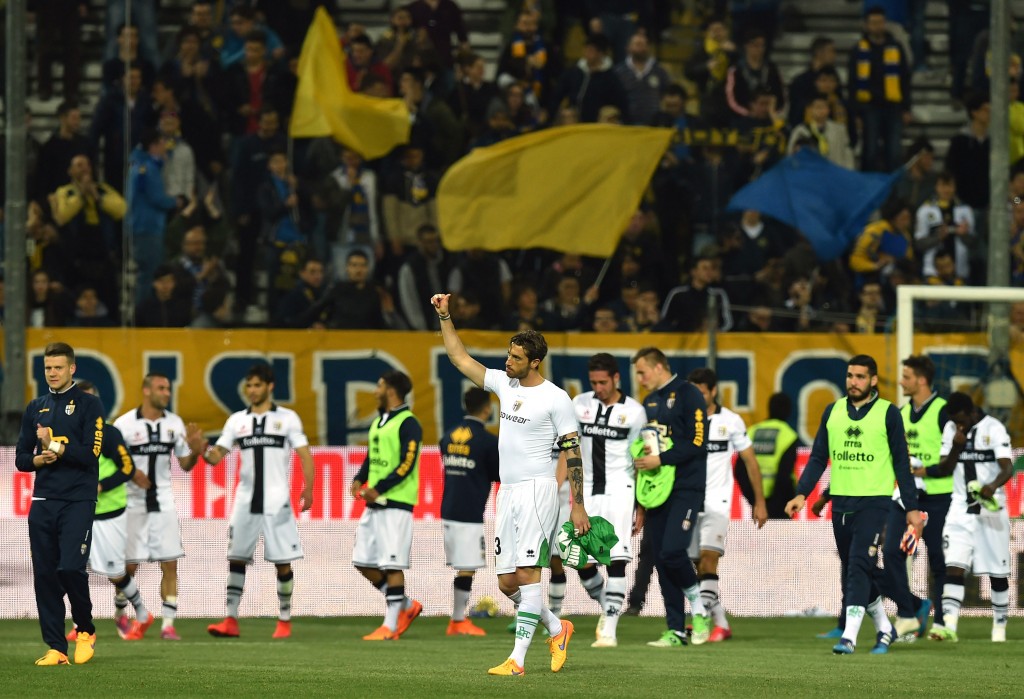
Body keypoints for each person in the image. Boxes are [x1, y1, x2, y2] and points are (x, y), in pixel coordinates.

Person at [432, 293, 587, 676]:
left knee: (530, 574)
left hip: (538, 490)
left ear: (535, 362)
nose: (508, 361)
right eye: (509, 355)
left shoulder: (556, 399)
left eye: (516, 358)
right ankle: (556, 627)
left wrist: (578, 504)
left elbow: (573, 452)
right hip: (509, 492)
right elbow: (459, 358)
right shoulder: (505, 385)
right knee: (506, 583)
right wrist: (445, 316)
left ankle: (517, 660)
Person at [785, 354, 924, 655]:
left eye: (861, 377)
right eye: (850, 376)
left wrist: (911, 506)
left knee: (859, 566)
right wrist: (802, 493)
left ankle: (849, 636)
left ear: (873, 380)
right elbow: (819, 456)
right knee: (856, 568)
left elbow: (902, 463)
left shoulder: (888, 413)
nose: (854, 382)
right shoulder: (832, 412)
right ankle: (885, 628)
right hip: (842, 505)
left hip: (874, 503)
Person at [203, 364, 316, 640]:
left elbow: (305, 454)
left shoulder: (287, 418)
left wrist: (308, 488)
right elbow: (217, 456)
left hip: (277, 501)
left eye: (256, 385)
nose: (252, 390)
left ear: (270, 386)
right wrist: (201, 451)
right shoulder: (236, 421)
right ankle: (230, 619)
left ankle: (285, 620)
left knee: (283, 562)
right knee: (236, 558)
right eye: (249, 386)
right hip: (245, 500)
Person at [15, 342, 103, 666]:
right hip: (43, 500)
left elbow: (90, 454)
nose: (52, 373)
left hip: (78, 499)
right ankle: (56, 647)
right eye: (48, 368)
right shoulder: (35, 407)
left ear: (72, 369)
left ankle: (85, 630)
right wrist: (40, 458)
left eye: (58, 367)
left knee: (70, 567)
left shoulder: (89, 405)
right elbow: (21, 459)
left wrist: (54, 445)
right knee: (45, 576)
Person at [631, 347, 712, 647]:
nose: (640, 379)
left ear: (660, 366)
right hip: (656, 491)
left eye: (642, 372)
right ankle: (676, 629)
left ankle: (700, 609)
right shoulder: (649, 402)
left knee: (673, 552)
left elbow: (698, 442)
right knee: (662, 560)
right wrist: (640, 500)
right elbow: (648, 449)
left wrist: (661, 460)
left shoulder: (689, 394)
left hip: (686, 488)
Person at [114, 374, 204, 641]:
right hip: (132, 504)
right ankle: (121, 614)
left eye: (168, 388)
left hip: (163, 502)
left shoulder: (174, 424)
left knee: (170, 564)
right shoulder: (125, 424)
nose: (166, 393)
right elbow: (113, 461)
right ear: (146, 390)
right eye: (161, 388)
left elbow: (185, 465)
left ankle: (168, 624)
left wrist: (196, 451)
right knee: (129, 568)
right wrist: (132, 474)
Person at [921, 392, 1013, 643]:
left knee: (997, 572)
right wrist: (956, 446)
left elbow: (1007, 467)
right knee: (954, 565)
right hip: (960, 508)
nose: (958, 425)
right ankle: (948, 625)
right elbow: (944, 468)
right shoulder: (951, 429)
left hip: (991, 509)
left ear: (972, 412)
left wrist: (992, 486)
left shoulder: (994, 428)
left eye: (961, 420)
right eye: (954, 421)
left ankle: (999, 628)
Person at [64, 381, 152, 642]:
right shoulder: (70, 435)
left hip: (109, 512)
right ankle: (81, 624)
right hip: (80, 511)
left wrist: (101, 485)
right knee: (72, 568)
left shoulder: (109, 434)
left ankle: (142, 613)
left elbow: (127, 469)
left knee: (115, 572)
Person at [686, 368, 768, 642]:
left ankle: (700, 617)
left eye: (701, 392)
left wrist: (759, 501)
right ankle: (720, 623)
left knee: (709, 560)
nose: (697, 397)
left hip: (718, 503)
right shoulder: (684, 419)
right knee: (697, 568)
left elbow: (750, 460)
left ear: (712, 391)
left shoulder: (730, 421)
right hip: (688, 502)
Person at [572, 353, 647, 648]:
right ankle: (609, 607)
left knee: (616, 560)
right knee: (579, 560)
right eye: (594, 382)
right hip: (587, 490)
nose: (598, 387)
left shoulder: (635, 412)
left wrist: (641, 505)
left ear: (617, 378)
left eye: (603, 382)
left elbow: (640, 457)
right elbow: (571, 450)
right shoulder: (580, 404)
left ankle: (609, 630)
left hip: (621, 489)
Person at [350, 371, 425, 641]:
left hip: (396, 504)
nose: (375, 390)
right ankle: (405, 605)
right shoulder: (380, 421)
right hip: (375, 504)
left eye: (379, 385)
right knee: (362, 562)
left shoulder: (409, 423)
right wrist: (360, 479)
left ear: (391, 390)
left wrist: (378, 488)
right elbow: (372, 456)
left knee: (392, 565)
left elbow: (407, 463)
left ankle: (390, 626)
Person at [883, 354, 951, 640]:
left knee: (938, 559)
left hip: (938, 497)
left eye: (907, 377)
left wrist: (922, 468)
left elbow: (954, 457)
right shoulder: (899, 412)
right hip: (908, 498)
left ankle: (944, 622)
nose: (901, 382)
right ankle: (909, 611)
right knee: (890, 553)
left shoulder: (943, 411)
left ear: (921, 380)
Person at [440, 387, 500, 636]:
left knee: (464, 565)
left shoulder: (448, 435)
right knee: (467, 566)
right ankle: (457, 621)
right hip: (469, 511)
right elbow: (499, 475)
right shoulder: (487, 441)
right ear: (487, 408)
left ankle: (457, 619)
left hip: (448, 507)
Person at [743, 392, 800, 519]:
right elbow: (784, 475)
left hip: (757, 502)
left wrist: (754, 499)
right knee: (780, 539)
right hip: (781, 504)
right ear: (788, 411)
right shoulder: (788, 435)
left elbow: (739, 470)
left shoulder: (752, 432)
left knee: (758, 539)